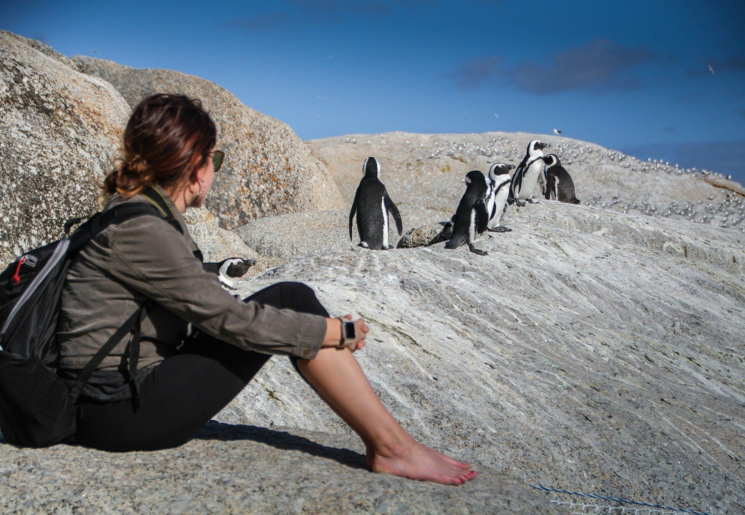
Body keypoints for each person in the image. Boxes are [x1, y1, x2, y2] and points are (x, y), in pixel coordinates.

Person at [57, 93, 476, 486]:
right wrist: (333, 333)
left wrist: (312, 328)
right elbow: (230, 320)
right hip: (114, 410)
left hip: (112, 396)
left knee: (288, 303)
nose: (215, 171)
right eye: (214, 159)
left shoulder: (135, 216)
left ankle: (392, 444)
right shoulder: (143, 229)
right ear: (193, 168)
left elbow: (200, 305)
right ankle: (393, 447)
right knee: (291, 298)